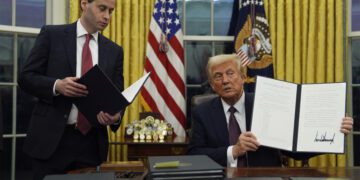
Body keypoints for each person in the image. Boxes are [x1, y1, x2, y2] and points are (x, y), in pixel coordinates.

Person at [18, 0, 124, 179]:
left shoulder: (114, 51)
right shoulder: (52, 35)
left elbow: (117, 96)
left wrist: (116, 116)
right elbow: (26, 77)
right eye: (102, 8)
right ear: (84, 4)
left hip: (92, 144)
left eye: (111, 11)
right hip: (51, 141)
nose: (107, 16)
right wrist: (57, 85)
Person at [187, 54, 354, 167]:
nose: (225, 81)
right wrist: (234, 151)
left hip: (266, 176)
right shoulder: (202, 113)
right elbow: (195, 155)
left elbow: (295, 150)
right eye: (218, 76)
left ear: (243, 78)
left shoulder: (268, 104)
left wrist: (334, 132)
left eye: (230, 73)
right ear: (212, 86)